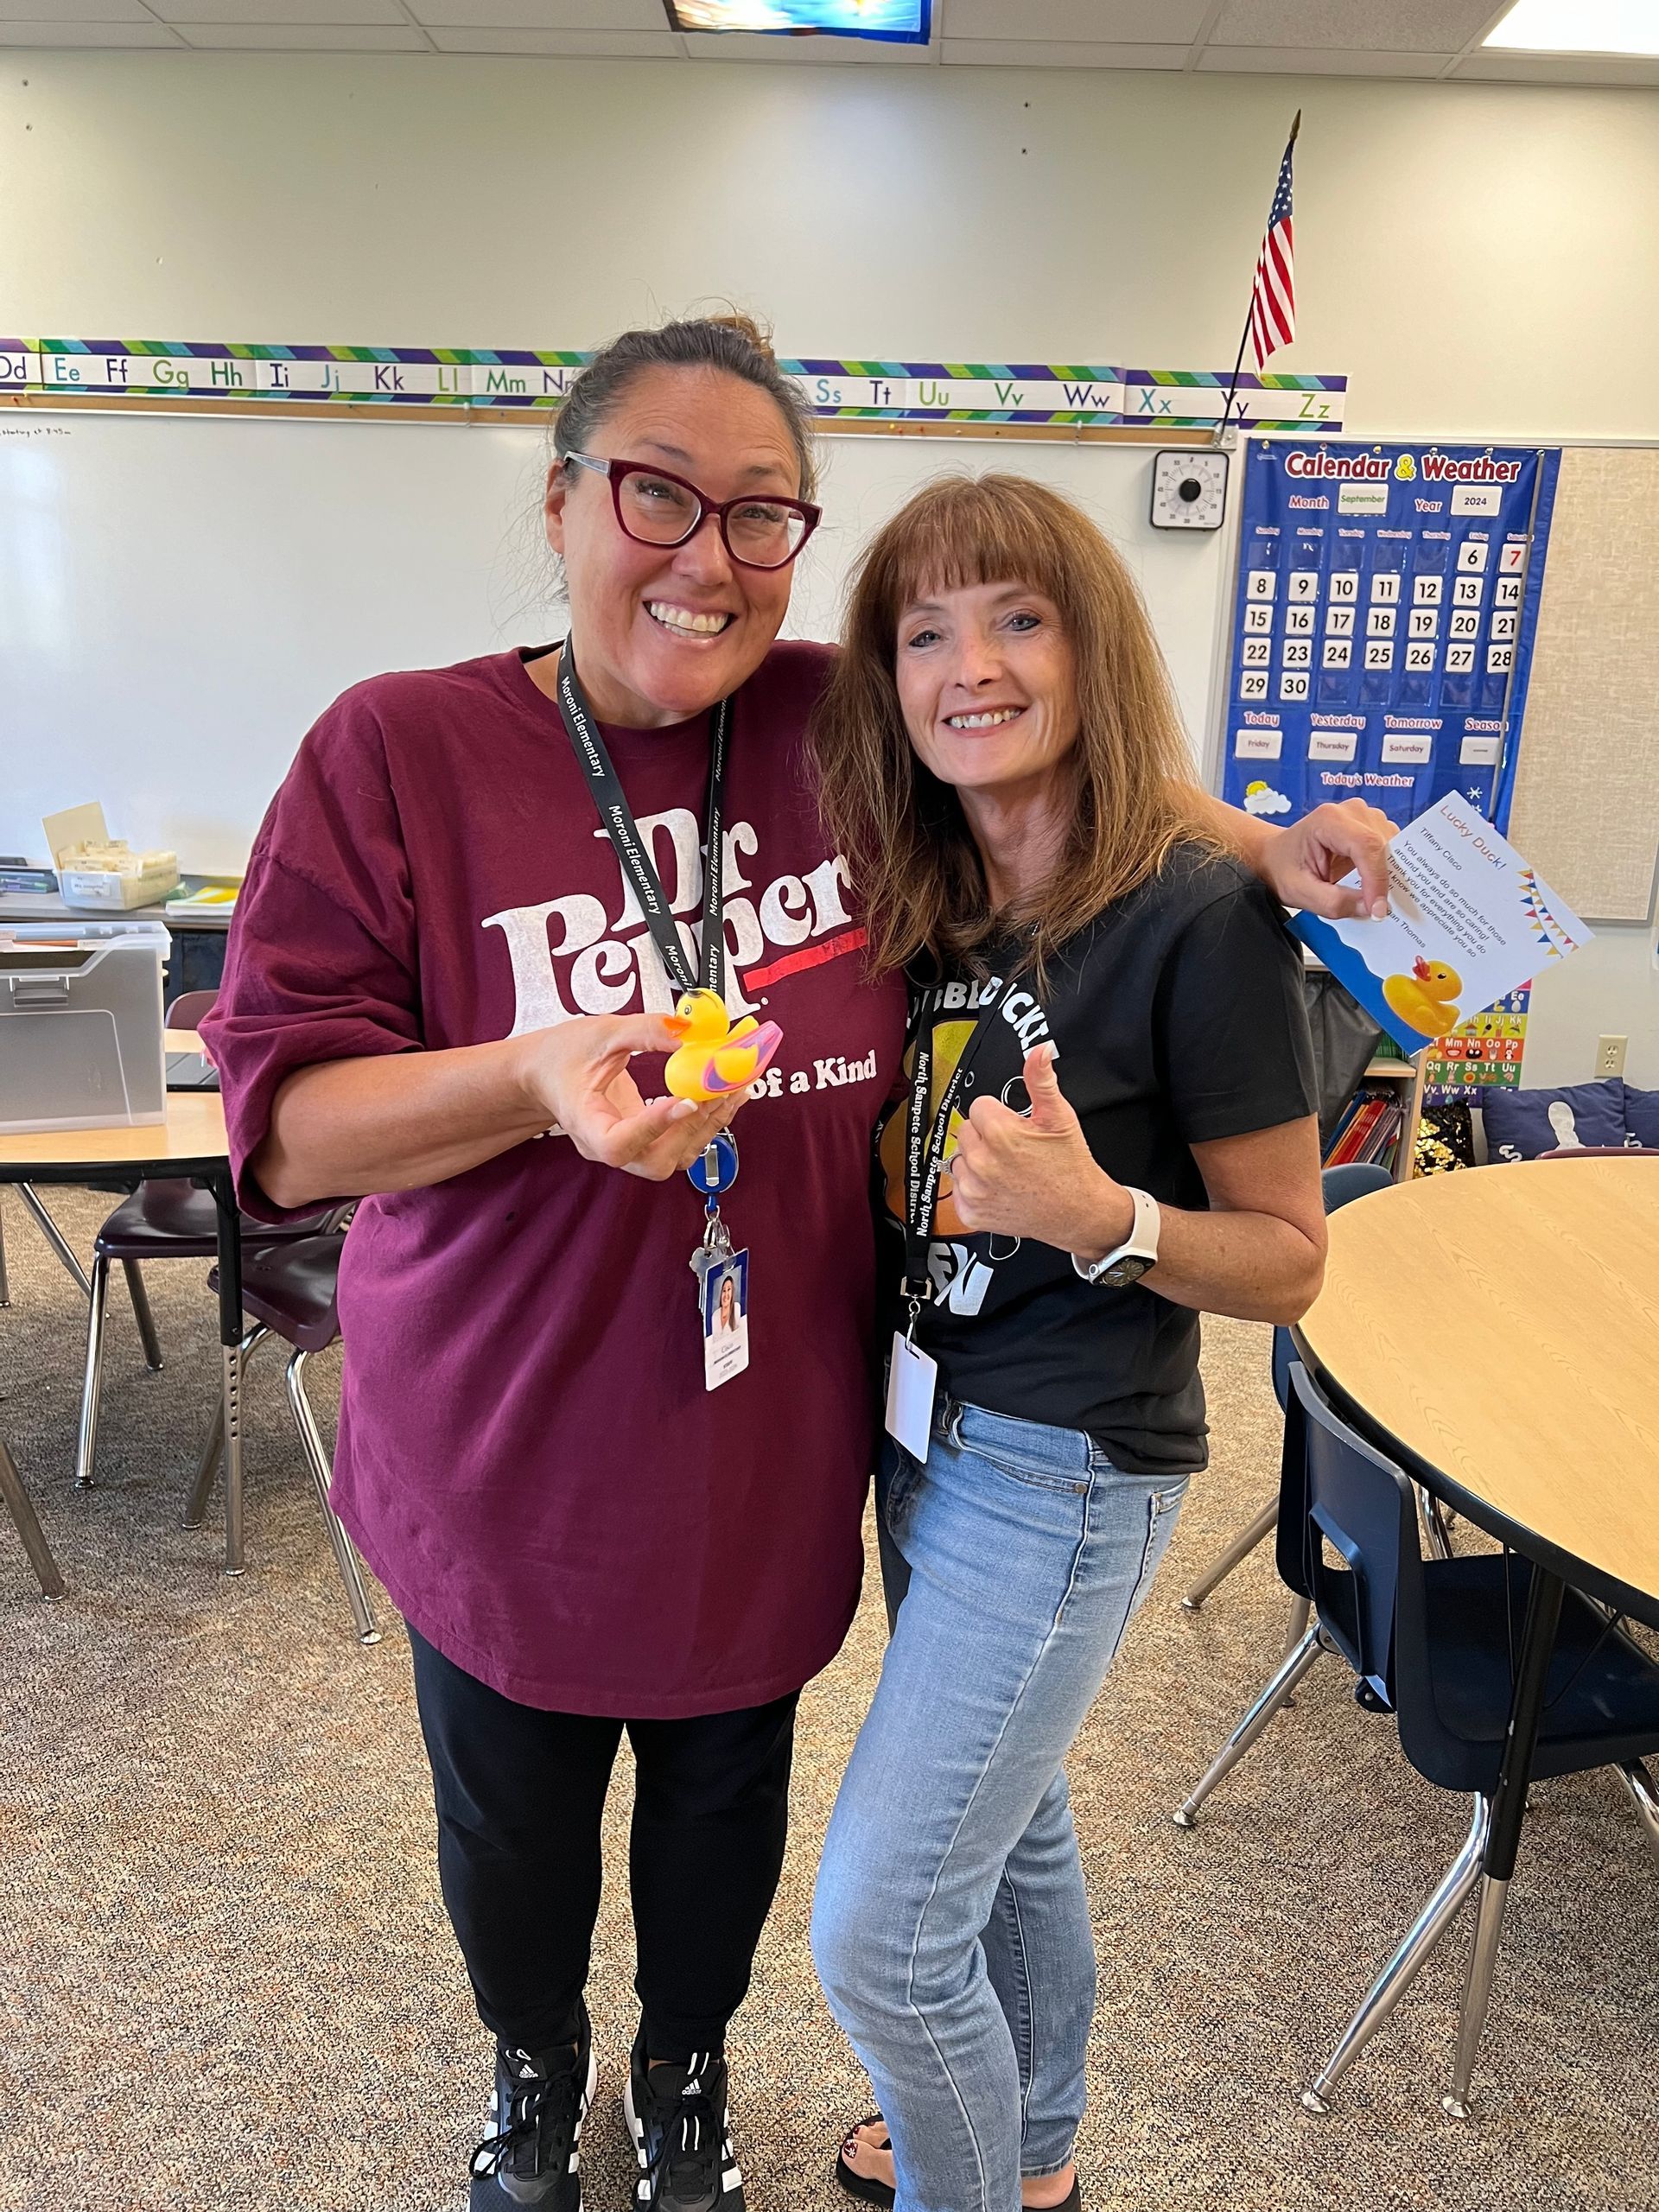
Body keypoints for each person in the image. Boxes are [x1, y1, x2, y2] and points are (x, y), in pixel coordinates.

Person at [202, 313, 1388, 2212]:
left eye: (762, 514)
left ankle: (685, 2065)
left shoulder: (836, 724)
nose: (709, 553)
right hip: (501, 1434)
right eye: (657, 494)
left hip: (774, 1431)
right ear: (565, 500)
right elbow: (282, 1123)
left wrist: (1267, 841)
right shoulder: (401, 745)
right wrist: (529, 1079)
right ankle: (536, 2061)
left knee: (722, 1809)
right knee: (511, 1818)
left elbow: (1052, 758)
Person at [807, 474, 1327, 2212]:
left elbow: (1290, 1263)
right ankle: (1030, 2148)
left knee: (883, 1932)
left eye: (1019, 617)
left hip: (1063, 1460)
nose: (972, 666)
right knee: (1000, 1826)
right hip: (924, 1425)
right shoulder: (942, 871)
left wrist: (1106, 1215)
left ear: (1088, 641)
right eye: (926, 630)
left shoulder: (1198, 918)